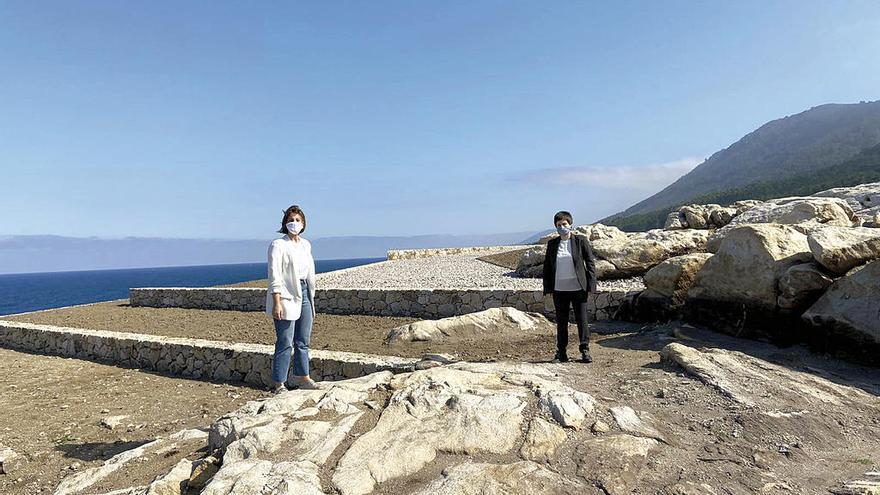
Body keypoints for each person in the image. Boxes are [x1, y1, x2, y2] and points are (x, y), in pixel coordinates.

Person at [266, 204, 318, 393]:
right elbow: (275, 275)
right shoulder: (278, 245)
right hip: (286, 295)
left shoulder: (306, 245)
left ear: (303, 223)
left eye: (297, 220)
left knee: (303, 340)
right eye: (290, 220)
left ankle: (302, 376)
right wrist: (277, 302)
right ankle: (279, 382)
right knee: (285, 340)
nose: (294, 223)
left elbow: (308, 273)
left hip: (305, 293)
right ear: (285, 223)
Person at [542, 210, 598, 363]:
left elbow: (590, 263)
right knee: (561, 323)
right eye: (558, 225)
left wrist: (591, 285)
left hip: (578, 288)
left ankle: (585, 350)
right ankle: (561, 353)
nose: (561, 227)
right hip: (559, 290)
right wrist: (547, 289)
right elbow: (547, 267)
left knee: (582, 321)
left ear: (570, 224)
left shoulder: (581, 241)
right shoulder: (552, 244)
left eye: (564, 224)